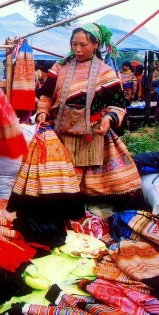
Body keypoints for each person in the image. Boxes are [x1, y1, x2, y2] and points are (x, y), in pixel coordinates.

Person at [35, 23, 141, 207]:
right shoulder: (60, 67)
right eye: (74, 44)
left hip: (92, 135)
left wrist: (109, 118)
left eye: (83, 44)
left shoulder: (105, 72)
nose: (77, 49)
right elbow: (46, 95)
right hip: (61, 133)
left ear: (95, 44)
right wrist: (43, 111)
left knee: (98, 185)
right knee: (58, 182)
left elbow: (117, 105)